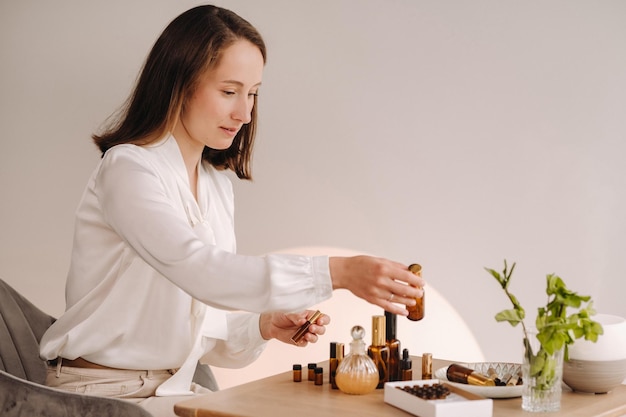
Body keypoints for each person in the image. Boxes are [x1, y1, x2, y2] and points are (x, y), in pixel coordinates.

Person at [39, 5, 425, 417]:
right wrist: (340, 273)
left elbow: (190, 322)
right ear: (179, 84)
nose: (245, 113)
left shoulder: (216, 185)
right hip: (99, 398)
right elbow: (201, 269)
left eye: (253, 93)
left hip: (171, 391)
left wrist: (261, 326)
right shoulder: (127, 170)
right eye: (229, 91)